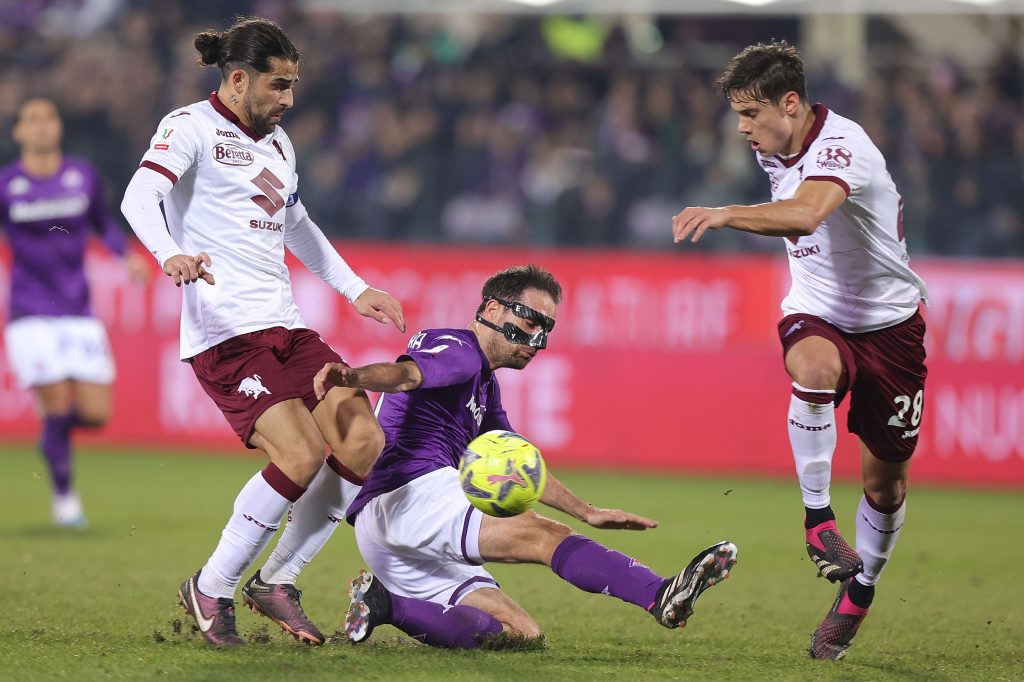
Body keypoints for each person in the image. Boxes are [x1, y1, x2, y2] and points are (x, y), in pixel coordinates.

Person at [120, 17, 406, 647]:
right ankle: (213, 584)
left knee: (362, 440)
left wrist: (356, 289)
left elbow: (297, 224)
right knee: (301, 455)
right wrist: (169, 253)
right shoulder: (188, 127)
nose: (289, 100)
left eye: (294, 86)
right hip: (224, 333)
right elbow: (138, 197)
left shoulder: (279, 145)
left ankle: (277, 579)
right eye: (279, 86)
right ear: (240, 77)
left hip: (286, 327)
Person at [312, 264, 738, 649]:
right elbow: (407, 374)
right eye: (529, 319)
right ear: (494, 309)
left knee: (521, 636)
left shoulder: (484, 386)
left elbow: (522, 469)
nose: (537, 338)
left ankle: (387, 605)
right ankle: (659, 593)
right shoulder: (458, 349)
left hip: (384, 528)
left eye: (545, 328)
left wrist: (586, 512)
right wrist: (354, 376)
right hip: (412, 495)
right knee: (542, 535)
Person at [671, 41, 928, 660]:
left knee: (885, 487)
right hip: (815, 309)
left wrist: (726, 214)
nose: (741, 129)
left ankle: (860, 590)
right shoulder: (779, 140)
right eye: (737, 115)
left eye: (750, 114)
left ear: (791, 104)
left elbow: (809, 214)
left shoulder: (844, 147)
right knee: (812, 367)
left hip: (891, 325)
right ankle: (818, 521)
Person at [1, 97, 149, 529]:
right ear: (19, 132)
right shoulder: (8, 184)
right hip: (28, 311)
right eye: (32, 120)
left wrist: (127, 256)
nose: (42, 127)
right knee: (54, 397)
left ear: (58, 128)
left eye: (48, 119)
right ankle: (65, 499)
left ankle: (52, 437)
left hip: (78, 310)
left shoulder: (81, 176)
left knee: (96, 413)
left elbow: (104, 224)